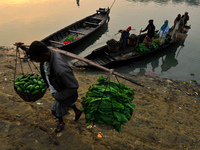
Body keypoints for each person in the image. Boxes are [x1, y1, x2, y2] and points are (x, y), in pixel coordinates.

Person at [18, 41, 82, 132]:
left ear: (44, 56)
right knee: (68, 102)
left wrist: (58, 96)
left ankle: (60, 122)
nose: (35, 61)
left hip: (61, 91)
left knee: (55, 111)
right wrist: (25, 49)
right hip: (56, 85)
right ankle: (77, 111)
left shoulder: (61, 69)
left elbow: (73, 86)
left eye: (36, 59)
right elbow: (35, 52)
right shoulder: (47, 53)